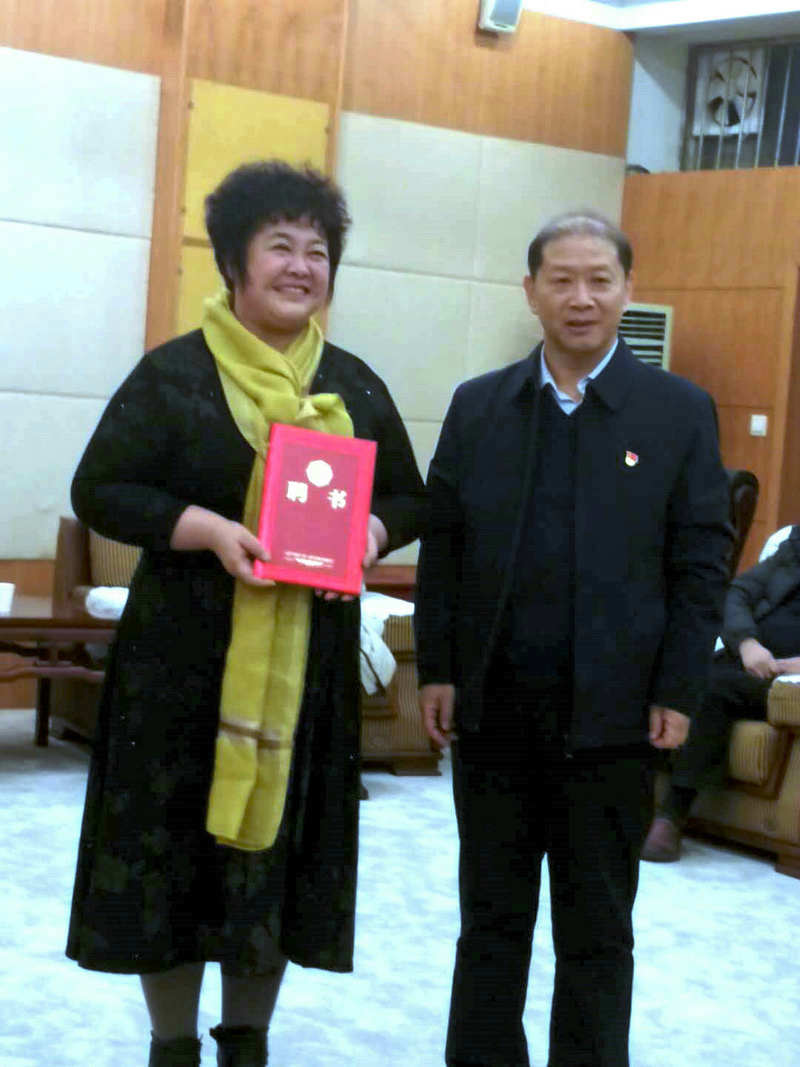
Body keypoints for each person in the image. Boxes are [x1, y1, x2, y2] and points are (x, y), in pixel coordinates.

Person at [66, 161, 426, 1067]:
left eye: (318, 250)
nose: (302, 266)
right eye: (281, 246)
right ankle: (172, 1043)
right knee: (173, 852)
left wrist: (373, 529)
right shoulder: (173, 374)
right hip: (179, 662)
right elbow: (100, 488)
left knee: (274, 856)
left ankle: (247, 1042)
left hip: (304, 666)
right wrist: (207, 530)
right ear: (234, 262)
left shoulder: (353, 384)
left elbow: (414, 496)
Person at [414, 211, 732, 1067]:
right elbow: (443, 548)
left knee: (597, 928)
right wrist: (437, 668)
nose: (580, 297)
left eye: (599, 280)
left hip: (616, 723)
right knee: (491, 921)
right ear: (531, 292)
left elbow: (702, 564)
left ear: (628, 289)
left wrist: (679, 688)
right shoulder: (480, 406)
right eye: (561, 280)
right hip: (494, 714)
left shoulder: (677, 411)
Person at [643, 525, 800, 862]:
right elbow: (739, 592)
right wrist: (746, 642)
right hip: (745, 660)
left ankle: (672, 815)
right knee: (671, 672)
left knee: (713, 687)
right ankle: (628, 798)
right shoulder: (794, 547)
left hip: (788, 683)